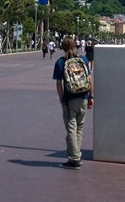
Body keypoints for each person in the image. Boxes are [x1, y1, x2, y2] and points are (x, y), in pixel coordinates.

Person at [53, 36, 94, 169]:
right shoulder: (83, 59)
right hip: (83, 96)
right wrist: (91, 97)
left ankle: (75, 158)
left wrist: (61, 98)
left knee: (71, 128)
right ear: (75, 46)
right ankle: (75, 155)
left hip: (69, 98)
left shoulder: (61, 62)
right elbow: (89, 79)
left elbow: (59, 84)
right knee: (79, 128)